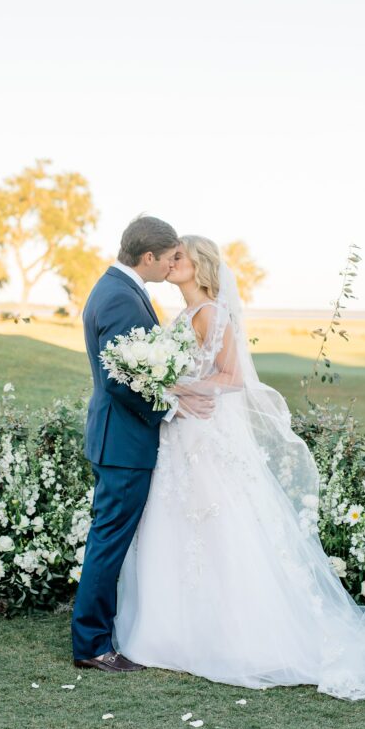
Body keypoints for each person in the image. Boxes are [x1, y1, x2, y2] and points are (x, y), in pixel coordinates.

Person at [112, 235, 365, 700]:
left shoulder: (211, 313)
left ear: (200, 265)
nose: (171, 262)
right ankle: (169, 630)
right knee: (175, 525)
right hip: (180, 434)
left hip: (205, 436)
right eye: (169, 256)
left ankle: (231, 635)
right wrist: (168, 387)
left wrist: (179, 387)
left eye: (179, 256)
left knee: (217, 525)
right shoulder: (183, 316)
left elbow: (233, 378)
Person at [71, 216, 215, 672]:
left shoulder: (115, 288)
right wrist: (168, 410)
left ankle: (100, 632)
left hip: (117, 438)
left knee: (109, 538)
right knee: (109, 541)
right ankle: (92, 644)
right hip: (124, 441)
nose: (174, 263)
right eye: (170, 256)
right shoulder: (121, 298)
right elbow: (120, 381)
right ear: (148, 257)